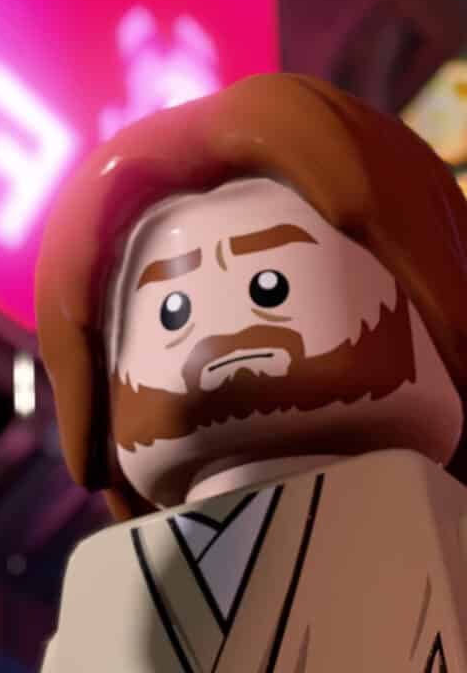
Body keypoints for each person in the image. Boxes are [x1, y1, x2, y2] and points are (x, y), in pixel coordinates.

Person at [35, 73, 467, 671]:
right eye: (173, 309)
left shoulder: (434, 522)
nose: (223, 336)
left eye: (271, 286)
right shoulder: (107, 583)